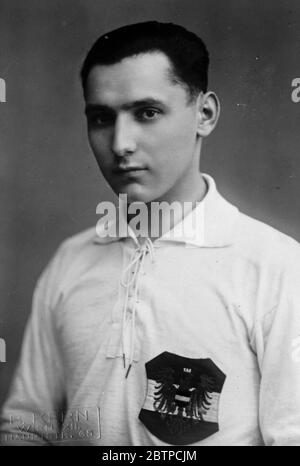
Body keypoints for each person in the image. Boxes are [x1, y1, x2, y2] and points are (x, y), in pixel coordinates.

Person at [1, 20, 300, 446]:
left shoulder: (276, 267)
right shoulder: (71, 261)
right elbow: (28, 427)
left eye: (147, 113)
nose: (120, 143)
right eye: (102, 118)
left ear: (205, 114)